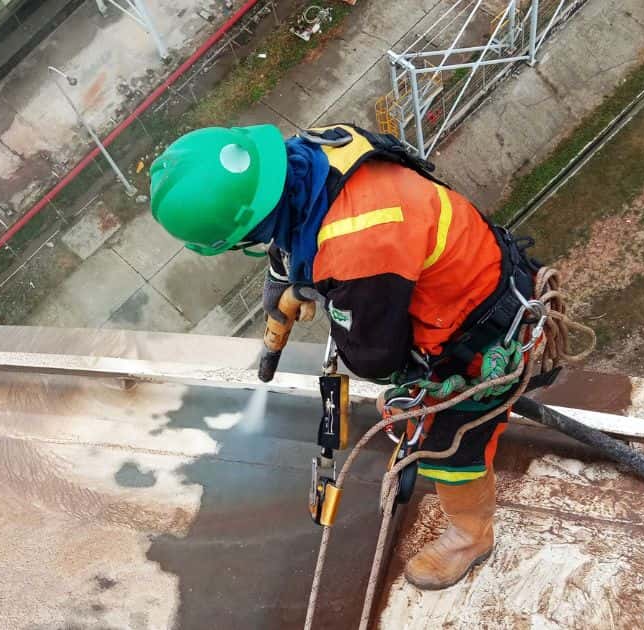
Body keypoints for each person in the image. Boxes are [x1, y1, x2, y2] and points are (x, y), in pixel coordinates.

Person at [148, 123, 542, 590]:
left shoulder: (356, 250)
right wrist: (290, 274)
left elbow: (375, 357)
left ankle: (470, 536)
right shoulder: (312, 151)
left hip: (485, 338)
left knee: (447, 447)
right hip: (471, 272)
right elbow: (305, 217)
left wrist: (334, 297)